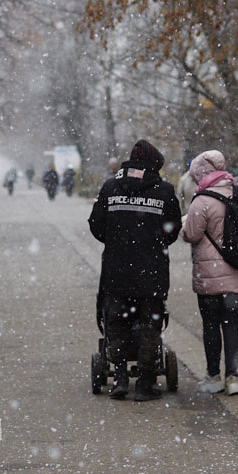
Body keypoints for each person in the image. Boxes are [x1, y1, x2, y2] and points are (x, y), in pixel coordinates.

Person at [89, 140, 182, 400]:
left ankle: (119, 377)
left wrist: (117, 241)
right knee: (150, 325)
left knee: (116, 322)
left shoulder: (110, 187)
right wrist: (152, 243)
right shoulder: (164, 191)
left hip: (116, 270)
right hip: (151, 272)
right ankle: (145, 382)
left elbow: (96, 225)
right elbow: (173, 229)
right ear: (154, 165)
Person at [181, 150, 238, 396]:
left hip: (210, 275)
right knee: (231, 323)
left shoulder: (201, 200)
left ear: (201, 175)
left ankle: (213, 376)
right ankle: (233, 378)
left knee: (211, 324)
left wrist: (183, 223)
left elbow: (191, 234)